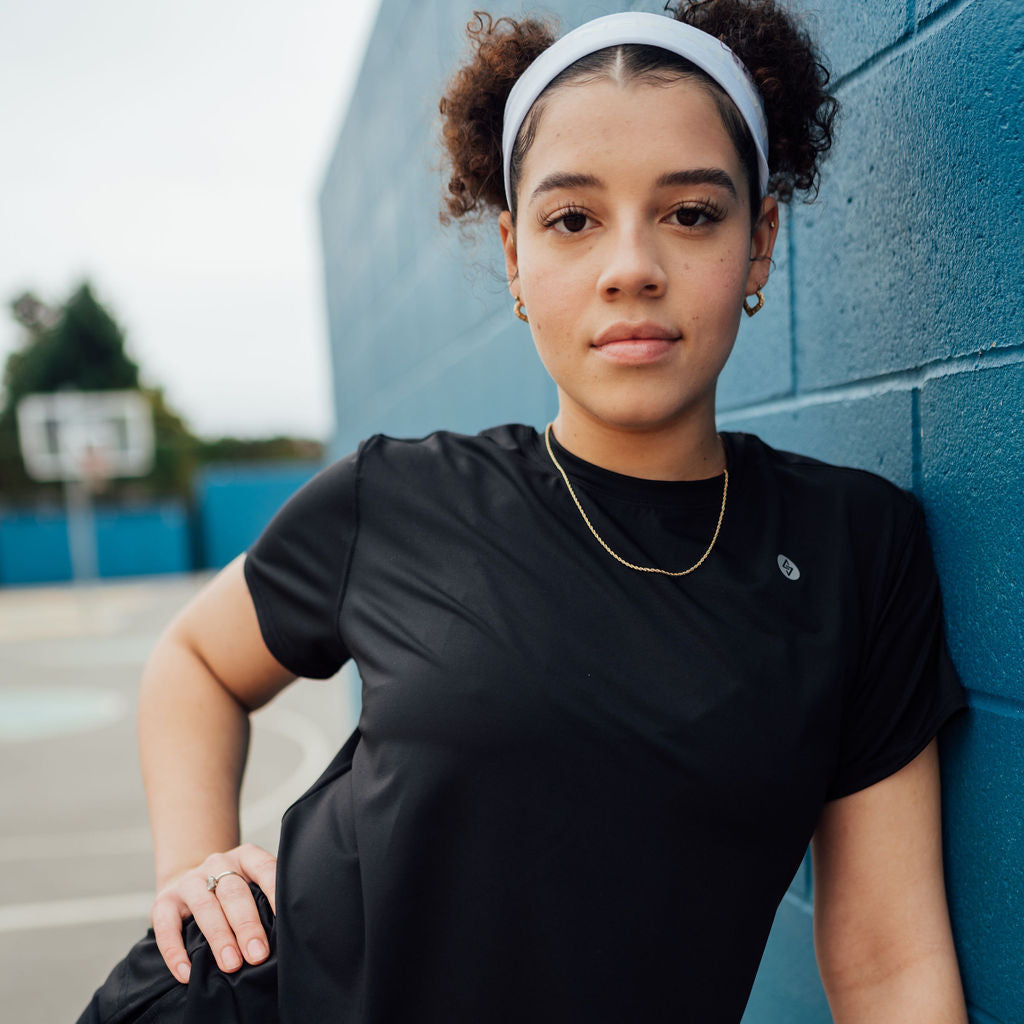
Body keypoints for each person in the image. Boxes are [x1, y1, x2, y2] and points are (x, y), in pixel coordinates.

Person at [79, 2, 970, 1021]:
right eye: (572, 219)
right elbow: (192, 661)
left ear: (760, 240)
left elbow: (889, 959)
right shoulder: (397, 497)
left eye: (690, 213)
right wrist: (194, 866)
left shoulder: (856, 548)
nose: (630, 266)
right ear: (513, 252)